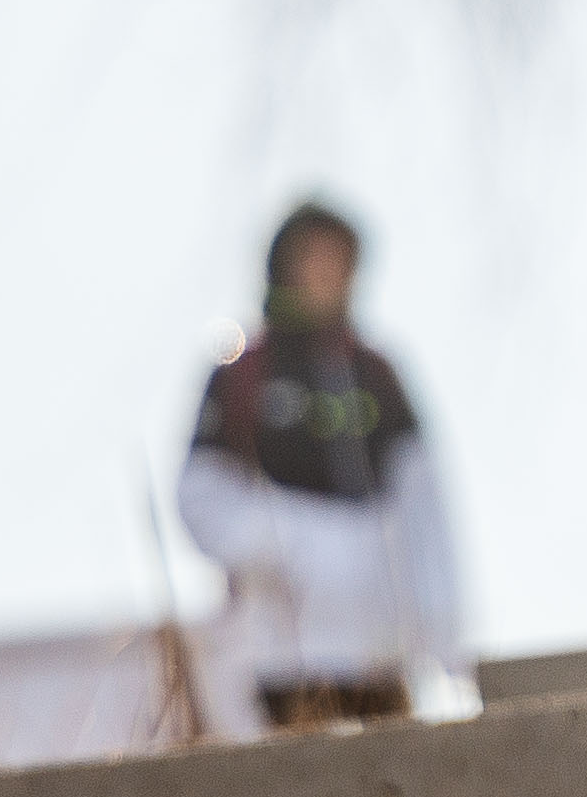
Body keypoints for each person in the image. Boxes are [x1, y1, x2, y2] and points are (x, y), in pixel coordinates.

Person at [171, 199, 474, 734]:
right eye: (312, 257)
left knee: (391, 791)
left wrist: (444, 634)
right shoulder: (244, 372)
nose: (325, 273)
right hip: (276, 655)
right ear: (283, 264)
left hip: (378, 655)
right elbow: (200, 496)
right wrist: (290, 543)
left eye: (338, 259)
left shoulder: (377, 376)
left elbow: (425, 507)